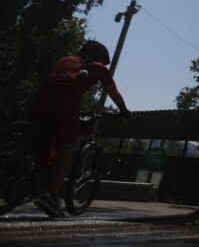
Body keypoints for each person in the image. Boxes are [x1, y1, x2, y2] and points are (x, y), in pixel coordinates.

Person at [29, 40, 130, 217]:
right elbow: (113, 93)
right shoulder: (99, 68)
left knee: (40, 139)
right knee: (68, 147)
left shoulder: (65, 60)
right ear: (99, 57)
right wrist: (123, 111)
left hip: (40, 101)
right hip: (65, 105)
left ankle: (22, 168)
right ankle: (50, 195)